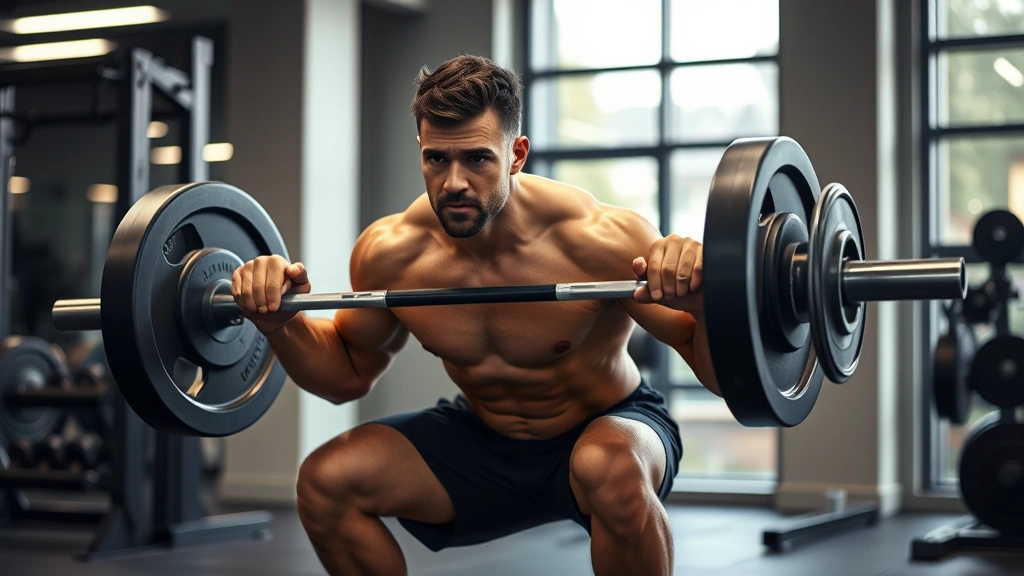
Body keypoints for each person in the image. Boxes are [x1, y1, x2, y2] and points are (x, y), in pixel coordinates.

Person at [231, 55, 718, 576]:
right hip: (485, 442)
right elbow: (347, 375)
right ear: (420, 149)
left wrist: (704, 303)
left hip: (608, 429)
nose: (454, 182)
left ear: (517, 154)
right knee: (326, 482)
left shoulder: (600, 239)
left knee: (608, 468)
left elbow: (715, 374)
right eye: (436, 159)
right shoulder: (392, 252)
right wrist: (280, 323)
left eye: (477, 160)